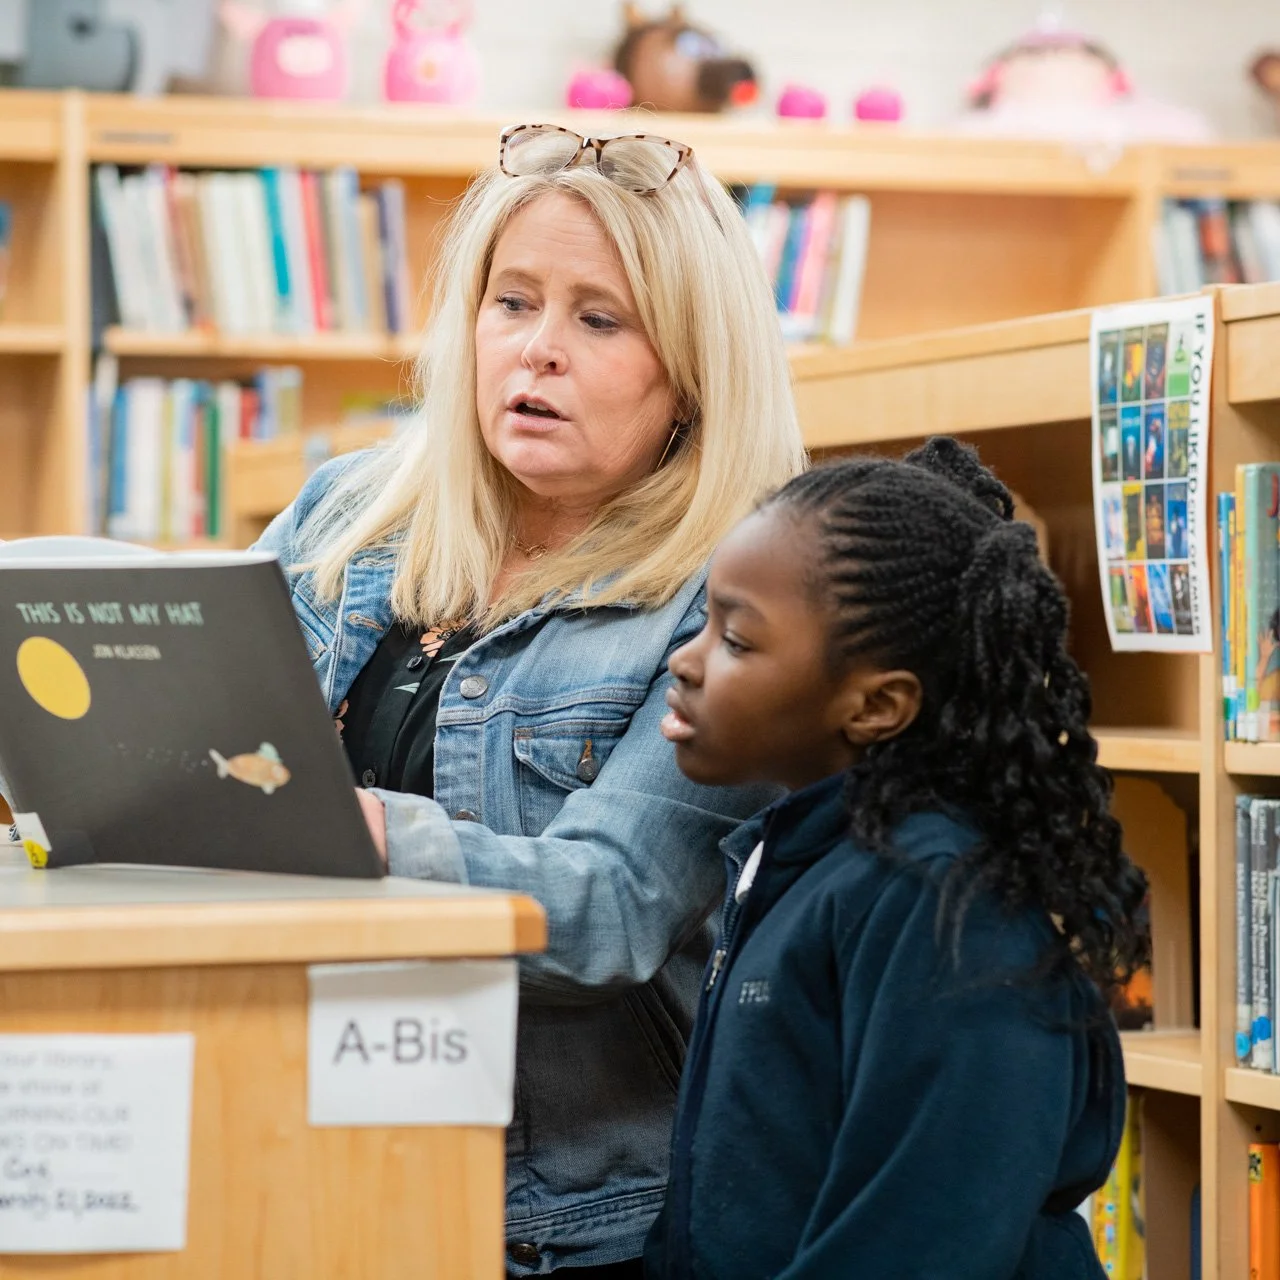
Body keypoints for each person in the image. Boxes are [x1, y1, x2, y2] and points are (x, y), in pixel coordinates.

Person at [254, 123, 804, 1277]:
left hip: (551, 1218)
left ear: (692, 372)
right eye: (511, 302)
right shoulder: (346, 512)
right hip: (285, 1134)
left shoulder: (730, 595)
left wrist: (361, 831)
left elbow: (608, 906)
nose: (537, 349)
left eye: (599, 320)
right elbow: (207, 739)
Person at [645, 438, 1149, 1280]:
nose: (684, 659)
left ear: (877, 705)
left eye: (736, 639)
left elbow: (925, 1238)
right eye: (703, 624)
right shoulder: (803, 859)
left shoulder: (945, 905)